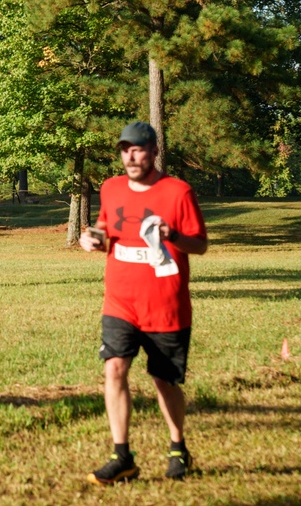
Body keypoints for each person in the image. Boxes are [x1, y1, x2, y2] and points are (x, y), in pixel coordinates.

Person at [79, 121, 208, 485]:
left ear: (153, 151)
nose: (131, 156)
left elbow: (200, 245)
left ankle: (178, 446)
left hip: (166, 305)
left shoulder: (178, 192)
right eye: (125, 149)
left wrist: (174, 234)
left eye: (138, 149)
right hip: (120, 302)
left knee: (163, 381)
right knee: (114, 369)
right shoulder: (111, 188)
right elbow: (106, 231)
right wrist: (93, 238)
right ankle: (122, 457)